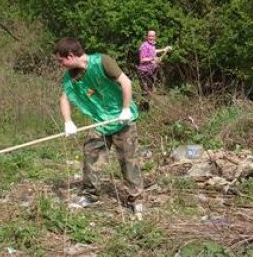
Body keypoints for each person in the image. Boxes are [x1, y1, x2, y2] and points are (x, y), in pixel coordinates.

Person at [53, 37, 143, 217]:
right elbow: (64, 98)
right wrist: (68, 121)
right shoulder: (71, 77)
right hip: (101, 122)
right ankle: (90, 195)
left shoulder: (103, 62)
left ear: (70, 56)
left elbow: (126, 82)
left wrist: (125, 110)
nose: (60, 64)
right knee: (90, 154)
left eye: (60, 60)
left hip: (122, 119)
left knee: (128, 160)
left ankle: (135, 200)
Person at [137, 30, 172, 110]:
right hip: (143, 72)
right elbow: (142, 60)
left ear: (155, 37)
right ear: (147, 37)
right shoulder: (144, 46)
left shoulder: (152, 45)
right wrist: (153, 58)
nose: (151, 37)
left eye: (153, 36)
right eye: (149, 36)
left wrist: (164, 50)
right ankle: (142, 110)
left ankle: (145, 110)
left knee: (150, 91)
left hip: (150, 72)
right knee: (145, 92)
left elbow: (154, 51)